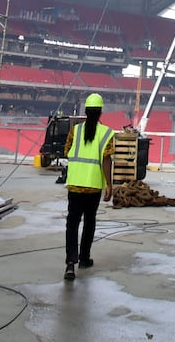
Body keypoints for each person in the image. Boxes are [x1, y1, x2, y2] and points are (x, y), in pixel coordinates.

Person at [63, 93, 114, 281]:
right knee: (89, 221)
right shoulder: (106, 133)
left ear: (85, 111)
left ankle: (70, 263)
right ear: (100, 112)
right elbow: (107, 159)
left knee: (72, 223)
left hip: (75, 184)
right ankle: (84, 258)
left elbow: (66, 150)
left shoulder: (75, 131)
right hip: (93, 186)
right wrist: (109, 185)